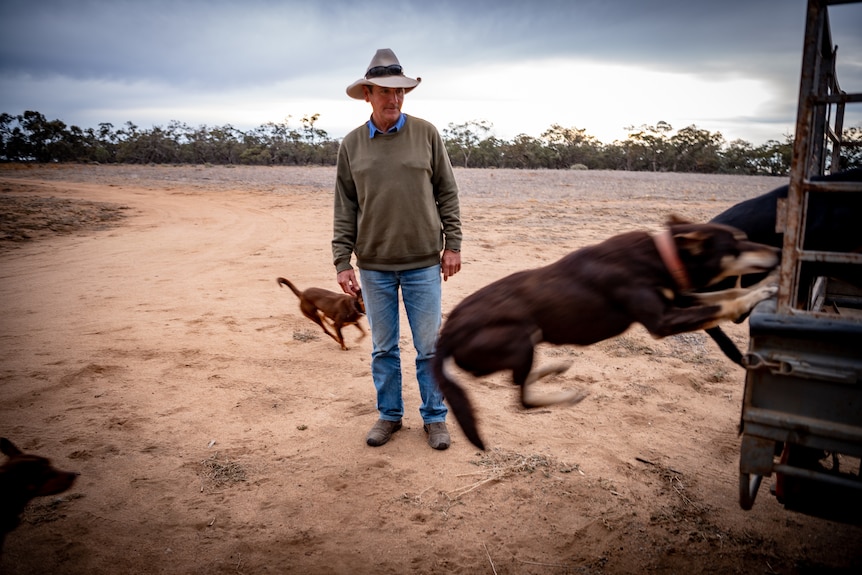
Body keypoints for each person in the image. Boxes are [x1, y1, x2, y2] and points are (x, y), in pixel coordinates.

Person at [332, 48, 463, 450]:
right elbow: (345, 206)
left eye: (400, 92)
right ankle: (389, 416)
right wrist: (342, 260)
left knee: (428, 348)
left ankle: (435, 419)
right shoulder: (352, 145)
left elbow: (447, 191)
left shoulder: (426, 133)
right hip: (372, 266)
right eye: (385, 92)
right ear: (368, 94)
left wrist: (452, 244)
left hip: (424, 263)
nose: (394, 99)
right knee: (383, 349)